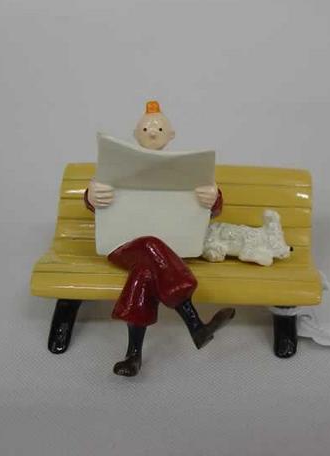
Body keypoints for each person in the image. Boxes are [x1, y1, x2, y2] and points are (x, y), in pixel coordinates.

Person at [85, 101, 235, 377]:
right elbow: (93, 199)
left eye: (159, 129)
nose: (152, 133)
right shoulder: (117, 167)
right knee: (150, 245)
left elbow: (214, 208)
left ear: (171, 135)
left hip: (162, 255)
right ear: (136, 134)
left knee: (145, 273)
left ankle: (133, 356)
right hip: (124, 246)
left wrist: (213, 198)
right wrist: (92, 196)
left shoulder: (187, 171)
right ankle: (194, 323)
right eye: (145, 129)